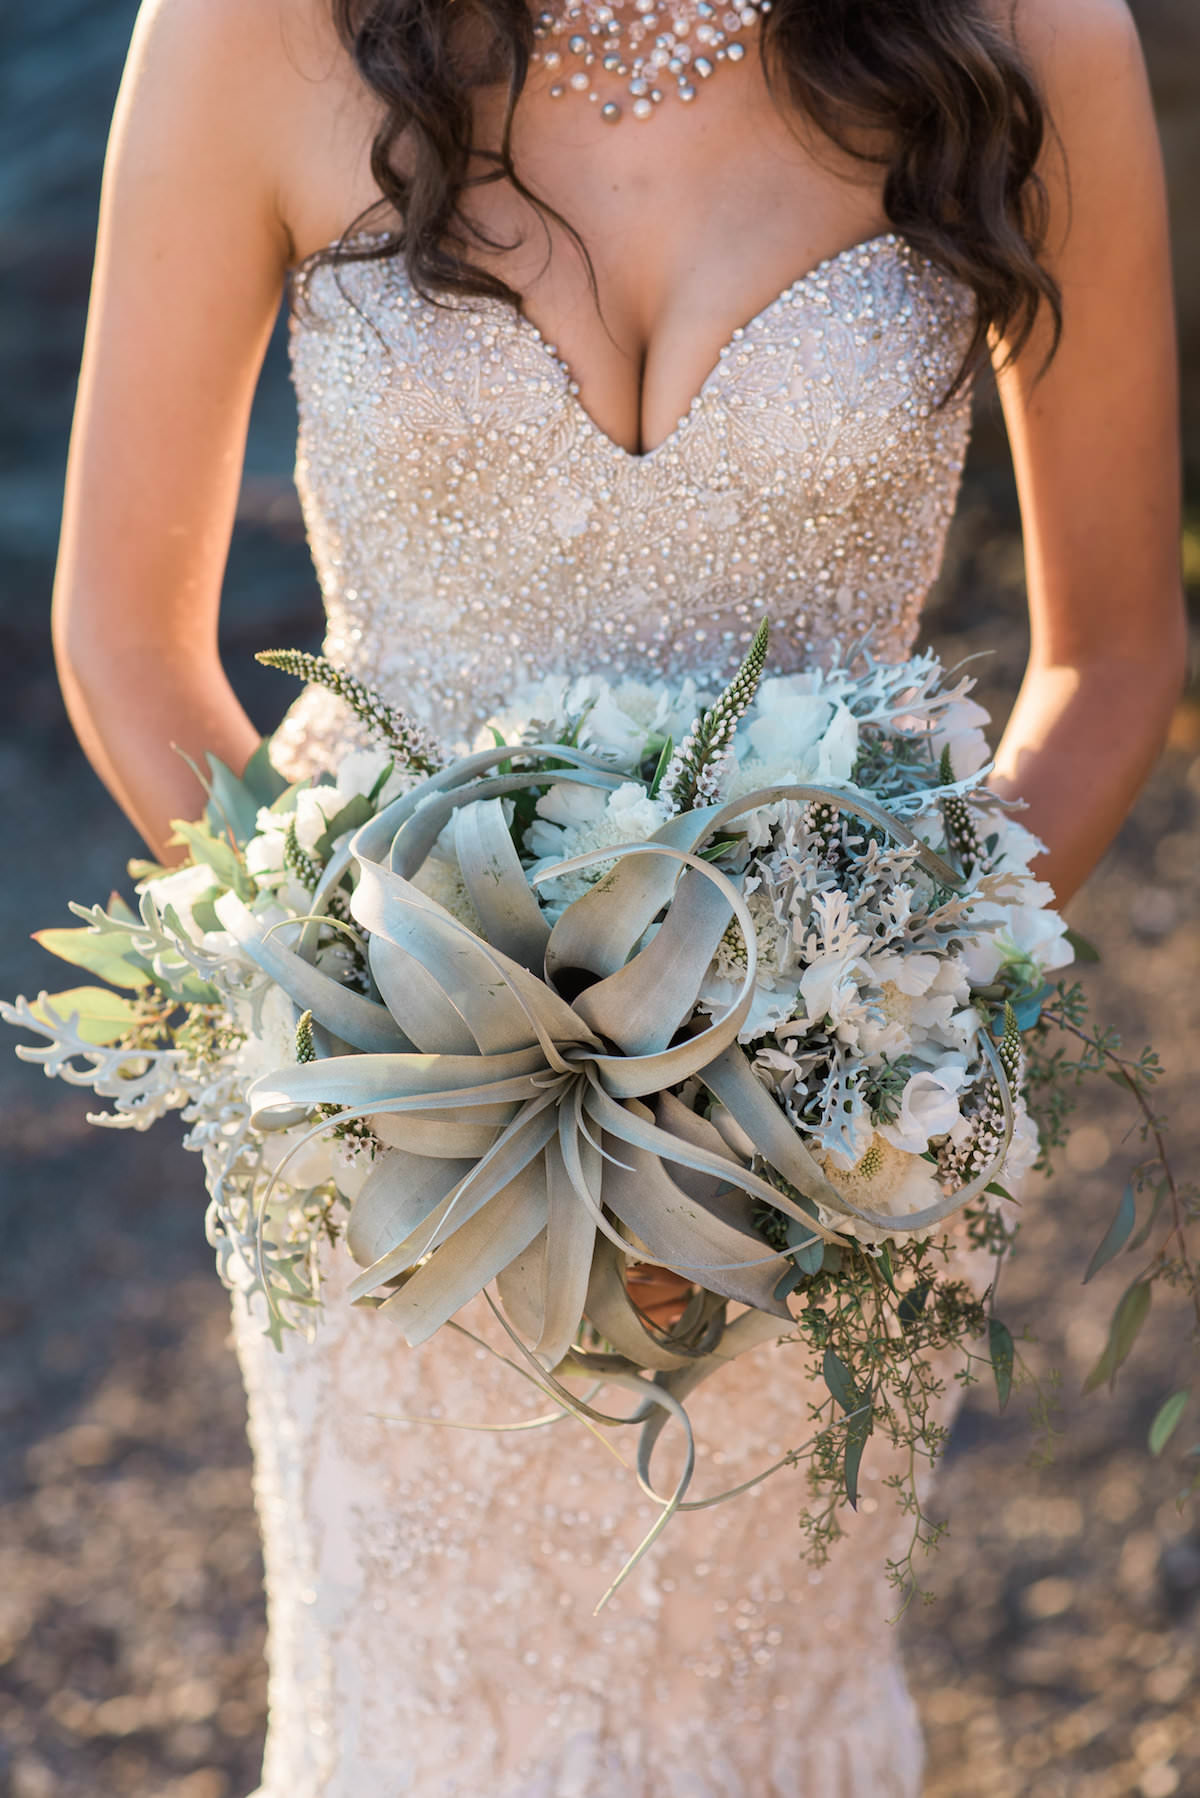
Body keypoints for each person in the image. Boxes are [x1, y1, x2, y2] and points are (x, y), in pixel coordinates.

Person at [50, 0, 1185, 1790]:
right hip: (391, 1155)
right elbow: (124, 640)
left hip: (832, 1150)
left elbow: (1112, 653)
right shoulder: (249, 31)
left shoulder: (1033, 31)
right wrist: (372, 1005)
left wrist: (882, 1011)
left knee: (768, 1708)